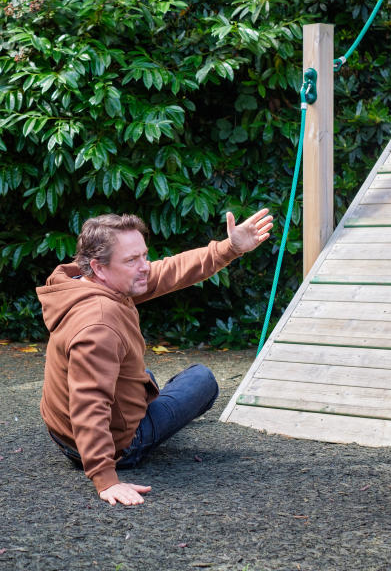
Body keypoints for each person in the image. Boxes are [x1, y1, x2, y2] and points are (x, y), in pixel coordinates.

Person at [37, 209, 274, 506]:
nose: (145, 266)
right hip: (114, 447)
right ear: (98, 267)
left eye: (144, 256)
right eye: (131, 260)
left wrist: (230, 248)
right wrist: (105, 477)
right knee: (202, 380)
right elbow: (89, 401)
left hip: (63, 432)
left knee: (139, 372)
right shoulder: (99, 324)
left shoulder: (80, 283)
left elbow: (170, 271)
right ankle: (119, 446)